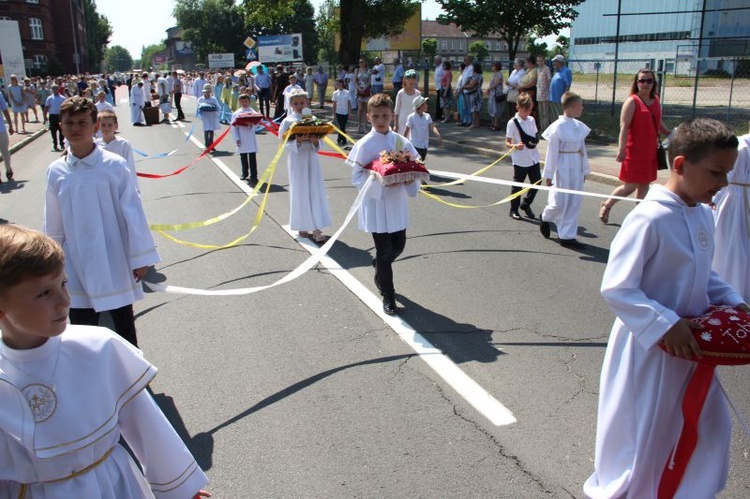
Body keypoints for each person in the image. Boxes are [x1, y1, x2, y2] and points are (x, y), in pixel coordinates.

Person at [583, 118, 748, 498]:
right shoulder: (649, 217)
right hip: (651, 349)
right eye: (715, 173)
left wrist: (736, 303)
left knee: (704, 427)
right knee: (647, 432)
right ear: (679, 165)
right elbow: (618, 287)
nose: (723, 184)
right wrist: (664, 324)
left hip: (690, 347)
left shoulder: (702, 213)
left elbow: (705, 276)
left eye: (727, 174)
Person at [0, 224, 211, 499]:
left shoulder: (99, 347)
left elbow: (146, 425)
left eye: (63, 284)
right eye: (44, 293)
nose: (64, 301)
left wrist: (183, 490)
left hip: (112, 486)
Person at [44, 97, 160, 347]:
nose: (75, 128)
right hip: (76, 262)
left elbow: (133, 212)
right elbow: (53, 223)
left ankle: (132, 378)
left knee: (123, 326)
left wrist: (140, 258)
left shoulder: (113, 166)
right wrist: (50, 264)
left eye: (82, 123)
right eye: (69, 123)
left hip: (113, 259)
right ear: (61, 127)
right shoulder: (56, 171)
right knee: (83, 329)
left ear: (95, 127)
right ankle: (93, 380)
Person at [346, 93, 421, 316]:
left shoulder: (400, 141)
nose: (381, 120)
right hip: (377, 205)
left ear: (392, 116)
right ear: (369, 117)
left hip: (396, 203)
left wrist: (410, 180)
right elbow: (356, 177)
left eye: (385, 116)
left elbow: (414, 166)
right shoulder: (365, 144)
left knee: (398, 247)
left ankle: (378, 263)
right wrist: (379, 185)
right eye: (376, 116)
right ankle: (388, 296)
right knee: (385, 250)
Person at [599, 69, 672, 224]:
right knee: (630, 186)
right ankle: (607, 204)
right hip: (634, 151)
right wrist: (621, 149)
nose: (645, 84)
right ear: (636, 83)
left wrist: (669, 133)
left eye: (649, 81)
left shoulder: (656, 100)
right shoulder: (632, 101)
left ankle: (640, 218)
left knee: (645, 185)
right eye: (642, 81)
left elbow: (657, 122)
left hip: (649, 151)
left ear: (654, 83)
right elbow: (624, 127)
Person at [278, 90, 332, 243]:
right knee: (300, 191)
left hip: (311, 158)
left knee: (314, 190)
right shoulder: (288, 121)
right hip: (297, 159)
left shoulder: (312, 118)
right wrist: (299, 140)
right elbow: (283, 142)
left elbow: (321, 140)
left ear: (307, 103)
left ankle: (316, 226)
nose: (299, 106)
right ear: (291, 104)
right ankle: (302, 225)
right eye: (296, 103)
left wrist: (315, 140)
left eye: (302, 103)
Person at [538, 92, 590, 248]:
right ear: (574, 106)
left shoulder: (579, 127)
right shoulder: (557, 128)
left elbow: (582, 150)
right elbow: (552, 153)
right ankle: (546, 216)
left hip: (576, 166)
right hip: (562, 167)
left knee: (574, 201)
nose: (582, 108)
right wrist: (548, 174)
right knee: (560, 201)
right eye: (580, 105)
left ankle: (567, 236)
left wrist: (584, 170)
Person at [713, 131, 750, 302]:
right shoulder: (741, 146)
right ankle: (730, 288)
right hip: (736, 201)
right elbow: (725, 175)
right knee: (733, 243)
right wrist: (715, 198)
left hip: (744, 197)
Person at [505, 92, 541, 221]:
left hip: (533, 157)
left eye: (529, 110)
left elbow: (535, 135)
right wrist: (515, 145)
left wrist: (536, 140)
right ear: (518, 107)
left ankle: (526, 204)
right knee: (517, 185)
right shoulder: (512, 123)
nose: (527, 113)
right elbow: (507, 143)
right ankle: (513, 209)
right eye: (524, 110)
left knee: (537, 182)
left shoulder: (531, 120)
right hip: (520, 159)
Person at [95, 110, 139, 190]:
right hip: (103, 185)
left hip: (120, 183)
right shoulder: (95, 145)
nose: (106, 128)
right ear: (98, 126)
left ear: (116, 126)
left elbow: (130, 166)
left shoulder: (123, 144)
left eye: (110, 125)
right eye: (103, 125)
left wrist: (134, 189)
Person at [231, 94, 261, 185]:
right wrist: (236, 138)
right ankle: (244, 173)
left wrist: (251, 125)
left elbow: (258, 123)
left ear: (249, 102)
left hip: (250, 137)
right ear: (240, 102)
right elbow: (233, 127)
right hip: (242, 137)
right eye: (242, 102)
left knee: (252, 157)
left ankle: (254, 176)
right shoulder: (236, 113)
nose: (244, 103)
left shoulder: (253, 113)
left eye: (246, 101)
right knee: (243, 156)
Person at [405, 95, 442, 161]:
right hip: (415, 145)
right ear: (420, 106)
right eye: (425, 104)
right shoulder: (411, 117)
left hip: (424, 145)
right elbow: (407, 130)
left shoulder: (427, 116)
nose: (427, 105)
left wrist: (438, 135)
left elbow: (432, 127)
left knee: (422, 162)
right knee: (417, 164)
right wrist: (404, 143)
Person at [393, 69, 420, 135]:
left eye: (413, 78)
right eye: (408, 79)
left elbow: (419, 109)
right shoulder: (401, 93)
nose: (411, 81)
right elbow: (397, 110)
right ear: (405, 80)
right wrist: (396, 125)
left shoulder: (418, 93)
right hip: (402, 121)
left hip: (414, 121)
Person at [197, 84, 222, 152]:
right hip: (205, 116)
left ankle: (211, 144)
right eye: (206, 92)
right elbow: (198, 109)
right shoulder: (201, 99)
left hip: (212, 116)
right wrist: (200, 114)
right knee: (206, 130)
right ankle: (206, 144)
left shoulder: (213, 99)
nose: (207, 93)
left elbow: (218, 107)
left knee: (211, 130)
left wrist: (214, 109)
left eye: (208, 92)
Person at [549, 55, 572, 119]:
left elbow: (568, 85)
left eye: (555, 62)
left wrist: (564, 98)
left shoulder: (566, 71)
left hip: (559, 100)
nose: (554, 64)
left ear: (560, 62)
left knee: (559, 117)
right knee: (553, 118)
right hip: (552, 99)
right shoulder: (557, 72)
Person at [332, 78, 351, 148]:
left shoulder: (347, 92)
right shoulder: (335, 93)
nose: (338, 85)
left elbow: (349, 103)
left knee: (343, 127)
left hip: (345, 112)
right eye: (337, 84)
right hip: (338, 112)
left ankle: (339, 138)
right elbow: (334, 104)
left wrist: (350, 112)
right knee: (341, 126)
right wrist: (334, 114)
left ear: (342, 84)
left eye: (340, 83)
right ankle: (344, 140)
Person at [0, 90, 14, 183]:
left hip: (0, 129)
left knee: (5, 152)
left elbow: (5, 110)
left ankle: (8, 169)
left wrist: (10, 125)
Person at [487, 61, 505, 132]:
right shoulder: (494, 74)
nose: (492, 67)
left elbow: (496, 84)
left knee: (496, 110)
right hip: (492, 94)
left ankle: (497, 125)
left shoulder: (499, 74)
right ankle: (493, 123)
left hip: (496, 94)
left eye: (493, 66)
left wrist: (488, 89)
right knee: (492, 109)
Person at [536, 55, 552, 131]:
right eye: (538, 61)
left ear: (544, 61)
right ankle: (542, 129)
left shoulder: (546, 69)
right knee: (541, 113)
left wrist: (548, 90)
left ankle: (546, 129)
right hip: (539, 93)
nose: (540, 62)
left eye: (541, 61)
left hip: (545, 93)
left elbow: (549, 80)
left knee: (545, 113)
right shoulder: (538, 70)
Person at [355, 59, 371, 133]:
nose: (360, 63)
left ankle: (365, 125)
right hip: (359, 91)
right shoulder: (357, 70)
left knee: (365, 109)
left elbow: (369, 81)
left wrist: (365, 88)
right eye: (359, 62)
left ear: (365, 63)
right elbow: (355, 81)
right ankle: (359, 124)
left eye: (362, 62)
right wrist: (359, 88)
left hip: (366, 90)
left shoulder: (368, 71)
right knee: (360, 108)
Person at [433, 55, 445, 121]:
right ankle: (438, 115)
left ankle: (439, 116)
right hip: (437, 87)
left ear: (439, 60)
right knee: (438, 102)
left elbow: (445, 76)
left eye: (436, 60)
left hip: (441, 87)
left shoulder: (442, 67)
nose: (434, 62)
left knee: (440, 102)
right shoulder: (437, 67)